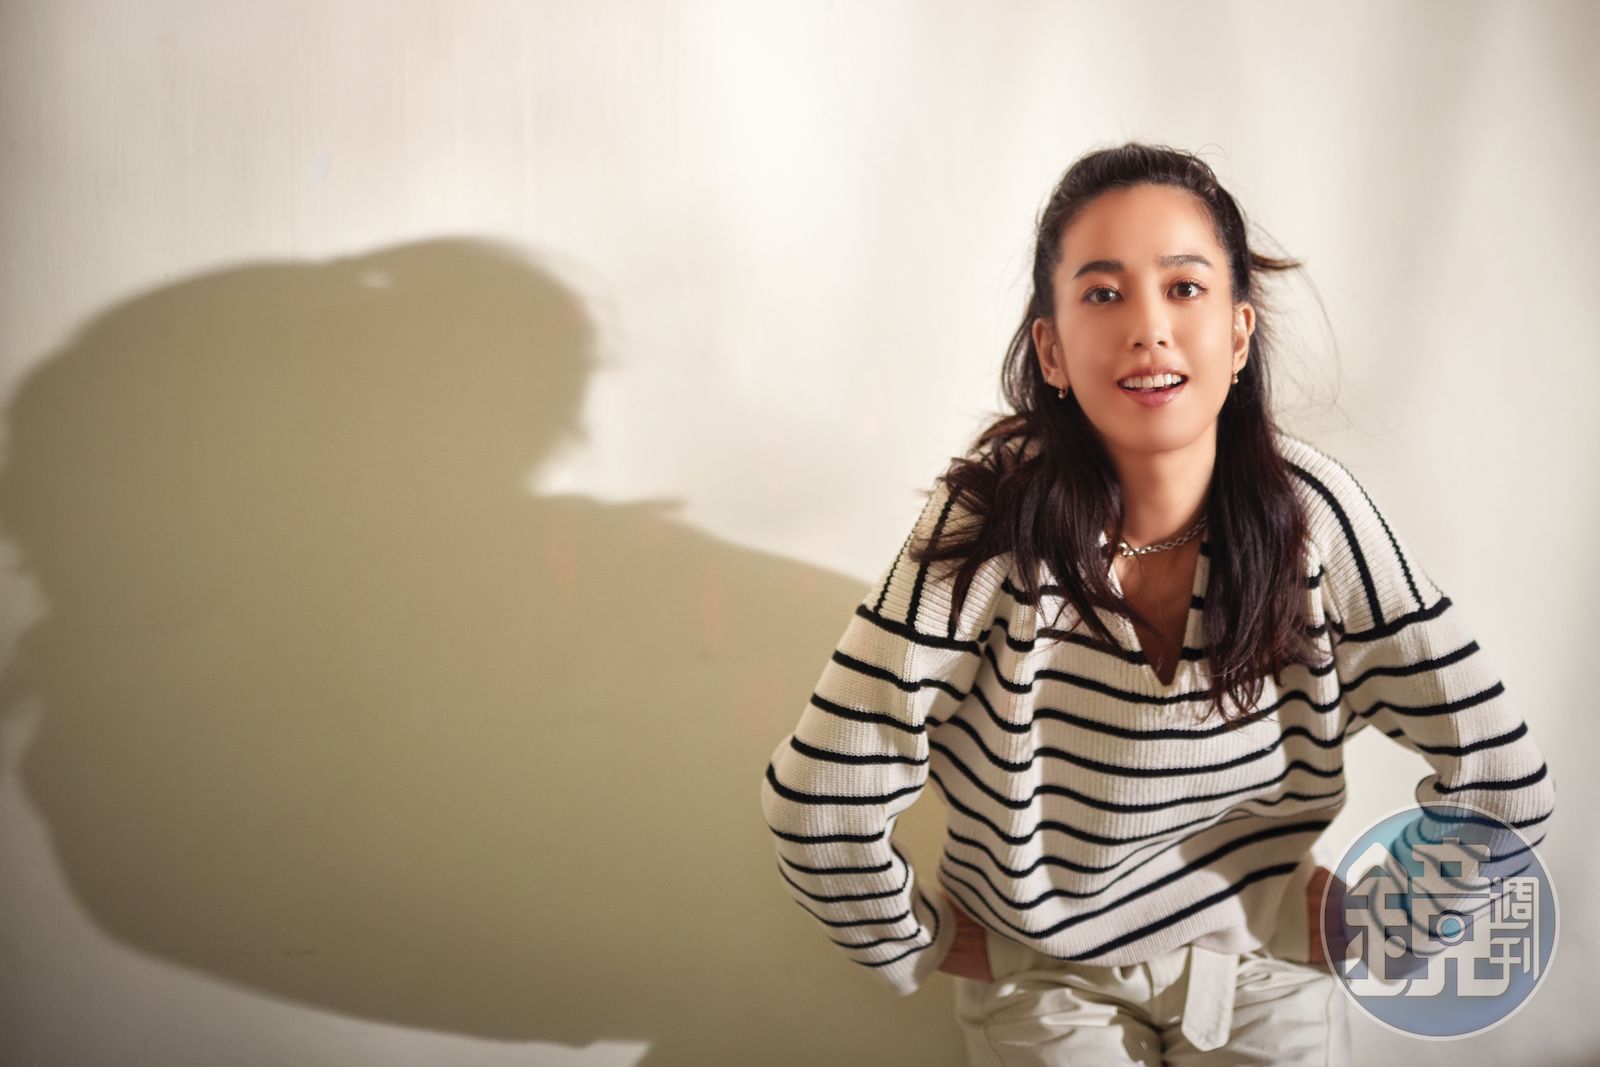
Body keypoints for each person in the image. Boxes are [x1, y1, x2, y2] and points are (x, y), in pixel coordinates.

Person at [756, 142, 1554, 1065]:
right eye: (1104, 293)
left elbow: (1499, 774)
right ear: (1051, 350)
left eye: (1184, 287)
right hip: (1045, 982)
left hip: (1257, 963)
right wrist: (917, 941)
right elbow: (819, 795)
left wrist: (1390, 922)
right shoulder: (991, 523)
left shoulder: (1314, 519)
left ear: (1240, 334)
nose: (1149, 327)